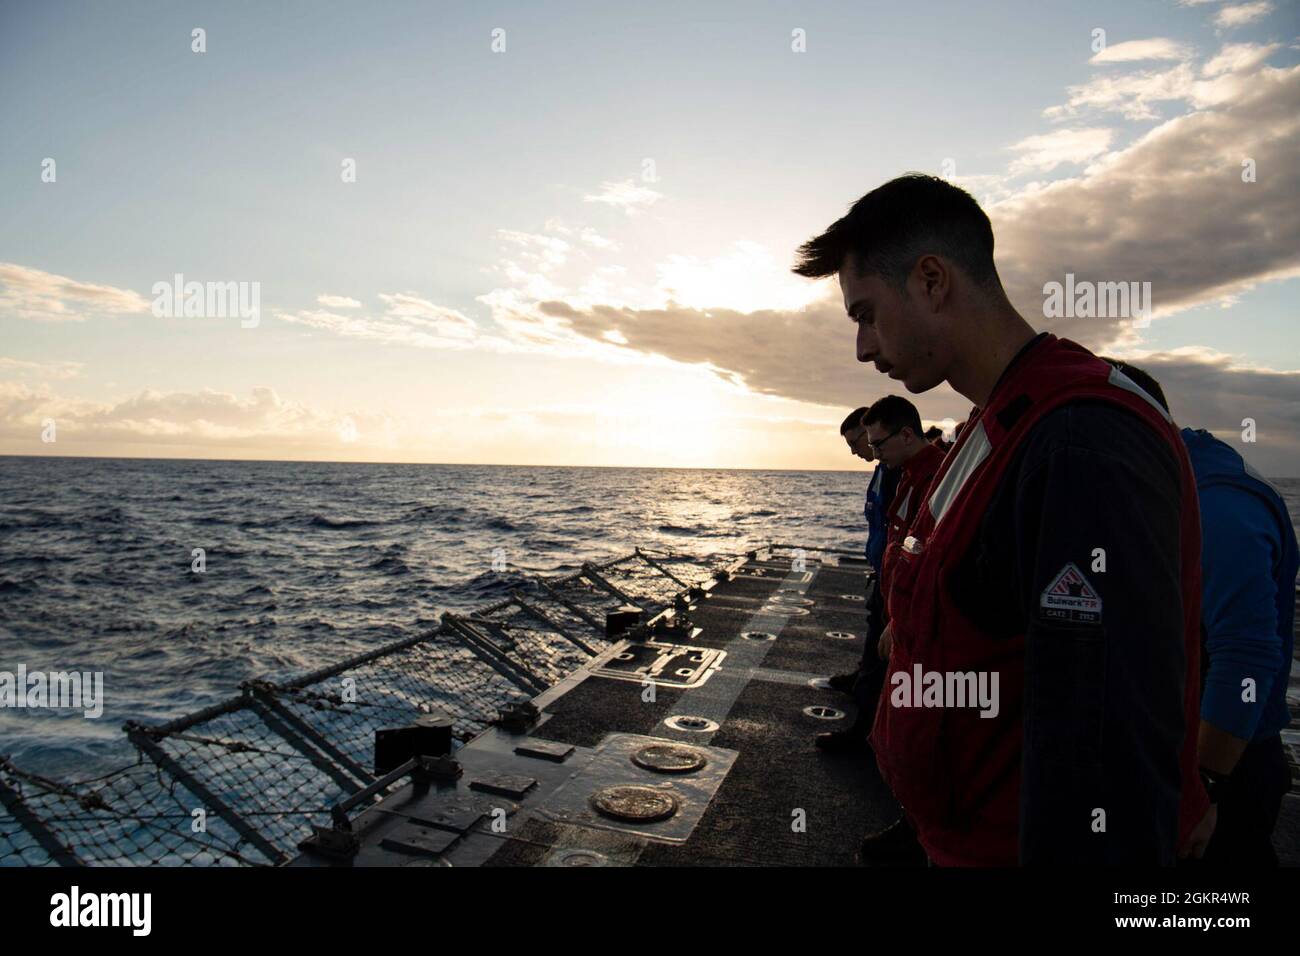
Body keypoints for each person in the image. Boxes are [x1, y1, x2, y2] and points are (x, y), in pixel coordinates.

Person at [792, 173, 1209, 865]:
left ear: (931, 280)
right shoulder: (996, 427)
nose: (864, 348)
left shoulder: (1080, 441)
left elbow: (1107, 743)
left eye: (866, 314)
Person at [1103, 359, 1297, 865]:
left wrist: (1202, 786)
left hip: (1222, 762)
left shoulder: (1217, 506)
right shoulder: (1161, 476)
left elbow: (1246, 658)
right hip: (1169, 747)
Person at [818, 407, 899, 751]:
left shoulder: (898, 474)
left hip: (895, 577)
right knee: (872, 637)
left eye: (857, 442)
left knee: (880, 654)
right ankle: (860, 683)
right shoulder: (883, 471)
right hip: (882, 571)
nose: (855, 451)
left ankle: (864, 734)